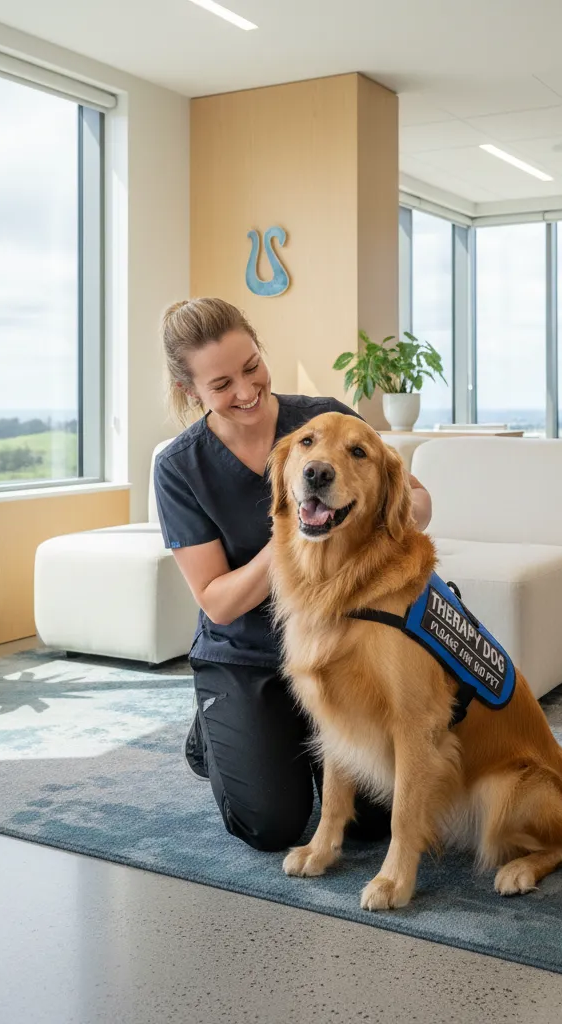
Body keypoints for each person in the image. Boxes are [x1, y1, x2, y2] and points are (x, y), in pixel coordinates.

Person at [154, 297, 433, 853]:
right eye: (221, 384)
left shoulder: (324, 418)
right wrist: (294, 536)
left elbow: (416, 502)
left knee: (373, 820)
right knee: (270, 825)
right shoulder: (180, 467)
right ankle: (217, 728)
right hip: (248, 651)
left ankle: (300, 734)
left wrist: (381, 513)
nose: (246, 390)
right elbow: (218, 601)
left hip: (342, 641)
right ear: (191, 391)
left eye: (252, 366)